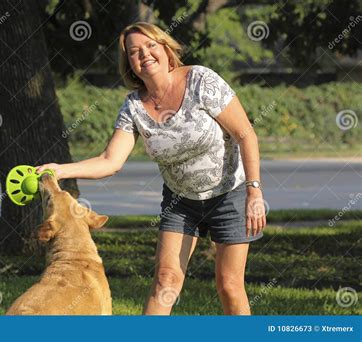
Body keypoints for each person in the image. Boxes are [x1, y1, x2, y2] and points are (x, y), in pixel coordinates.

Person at [36, 22, 266, 315]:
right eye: (134, 52)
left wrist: (254, 190)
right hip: (181, 201)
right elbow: (110, 161)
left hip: (228, 192)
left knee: (229, 284)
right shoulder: (133, 107)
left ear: (166, 49)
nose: (144, 54)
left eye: (150, 46)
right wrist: (60, 170)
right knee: (165, 280)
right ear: (130, 64)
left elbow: (246, 134)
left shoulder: (201, 81)